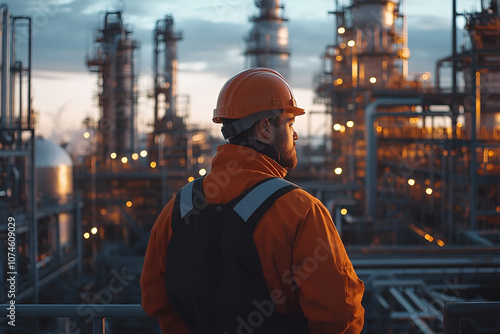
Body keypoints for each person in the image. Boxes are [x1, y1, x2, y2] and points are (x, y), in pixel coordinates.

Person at [140, 68, 365, 334]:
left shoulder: (177, 207)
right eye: (290, 124)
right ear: (266, 128)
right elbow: (337, 315)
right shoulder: (302, 211)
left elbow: (156, 300)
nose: (296, 136)